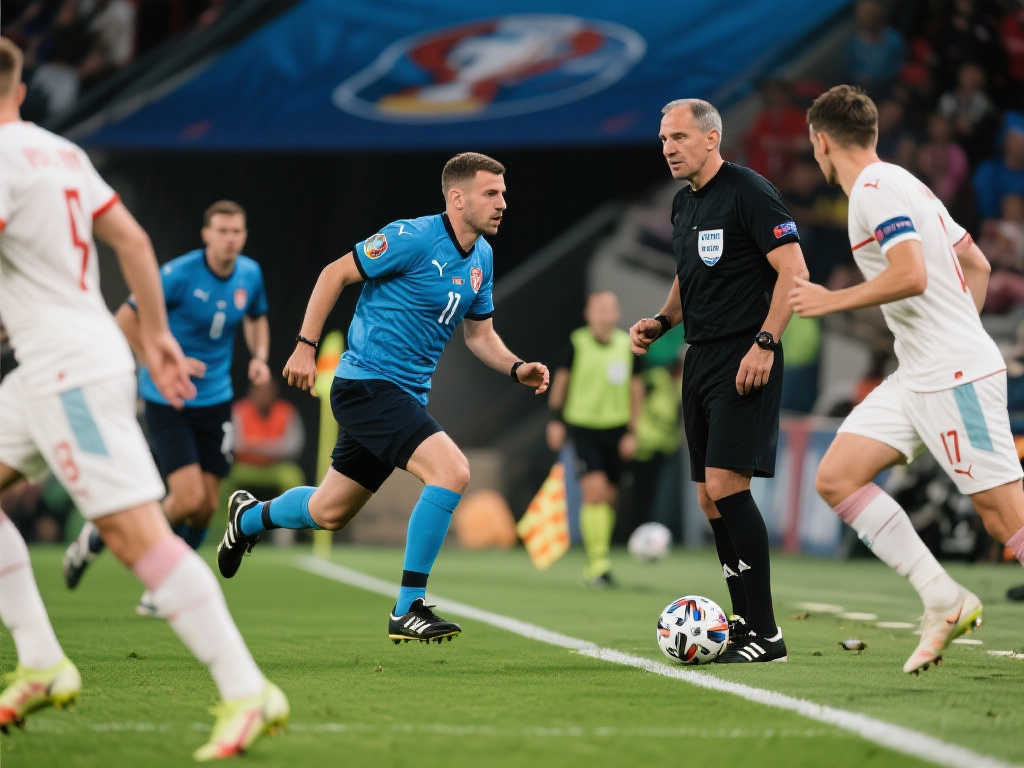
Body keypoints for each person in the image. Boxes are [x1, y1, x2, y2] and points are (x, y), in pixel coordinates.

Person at [0, 37, 286, 759]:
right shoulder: (61, 153)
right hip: (51, 364)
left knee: (138, 536)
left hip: (67, 374)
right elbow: (129, 239)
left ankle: (247, 689)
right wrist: (155, 334)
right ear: (22, 90)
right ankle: (40, 661)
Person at [216, 152, 549, 644]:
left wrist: (517, 367)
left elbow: (480, 336)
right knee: (452, 471)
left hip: (403, 396)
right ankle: (408, 607)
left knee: (328, 512)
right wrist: (305, 346)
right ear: (457, 198)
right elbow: (334, 274)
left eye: (503, 193)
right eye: (491, 193)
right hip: (366, 386)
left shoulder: (482, 257)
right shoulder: (411, 237)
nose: (503, 203)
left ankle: (248, 517)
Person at [791, 84, 1024, 674]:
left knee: (1005, 517)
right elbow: (977, 263)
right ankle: (944, 599)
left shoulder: (873, 190)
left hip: (953, 374)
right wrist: (952, 333)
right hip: (920, 371)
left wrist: (830, 299)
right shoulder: (904, 182)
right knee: (838, 478)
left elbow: (912, 274)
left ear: (821, 141)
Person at [630, 98, 810, 664]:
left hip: (745, 353)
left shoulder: (749, 191)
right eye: (664, 139)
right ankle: (743, 621)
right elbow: (688, 277)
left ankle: (768, 634)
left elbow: (794, 271)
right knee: (709, 496)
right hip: (700, 356)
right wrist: (663, 320)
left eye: (680, 137)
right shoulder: (683, 204)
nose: (669, 148)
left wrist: (766, 342)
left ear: (712, 138)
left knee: (728, 485)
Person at [63, 199, 271, 616]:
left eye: (236, 232)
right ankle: (111, 540)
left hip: (216, 400)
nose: (230, 239)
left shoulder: (250, 274)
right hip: (168, 398)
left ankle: (163, 586)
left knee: (206, 508)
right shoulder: (178, 274)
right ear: (206, 234)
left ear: (244, 235)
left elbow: (255, 316)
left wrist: (259, 356)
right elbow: (126, 318)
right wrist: (156, 364)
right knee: (187, 498)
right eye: (222, 231)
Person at [545, 291, 643, 587]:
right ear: (588, 314)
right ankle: (598, 563)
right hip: (583, 428)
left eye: (609, 308)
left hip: (616, 430)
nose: (604, 314)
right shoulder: (577, 343)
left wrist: (632, 431)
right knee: (595, 492)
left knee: (609, 497)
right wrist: (555, 420)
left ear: (617, 313)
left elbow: (636, 390)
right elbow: (561, 384)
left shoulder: (627, 346)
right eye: (598, 308)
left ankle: (601, 558)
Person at [219, 377, 306, 512]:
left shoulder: (287, 411)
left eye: (268, 391)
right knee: (223, 478)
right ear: (251, 392)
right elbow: (234, 444)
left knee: (293, 477)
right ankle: (225, 523)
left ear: (275, 392)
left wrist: (256, 446)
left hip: (275, 468)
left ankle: (287, 523)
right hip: (245, 467)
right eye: (259, 390)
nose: (264, 395)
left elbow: (293, 447)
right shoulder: (240, 410)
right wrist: (272, 447)